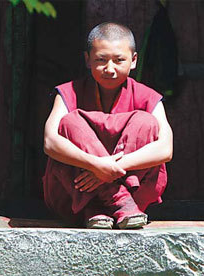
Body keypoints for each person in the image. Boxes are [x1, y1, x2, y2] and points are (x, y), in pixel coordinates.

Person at [43, 22, 173, 229]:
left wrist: (107, 169)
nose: (109, 69)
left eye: (119, 60)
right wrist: (95, 164)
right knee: (70, 122)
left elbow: (165, 149)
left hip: (134, 198)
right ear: (87, 60)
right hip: (80, 201)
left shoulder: (147, 97)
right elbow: (50, 143)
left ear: (134, 61)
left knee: (145, 122)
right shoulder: (69, 92)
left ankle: (106, 204)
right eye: (101, 60)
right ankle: (113, 201)